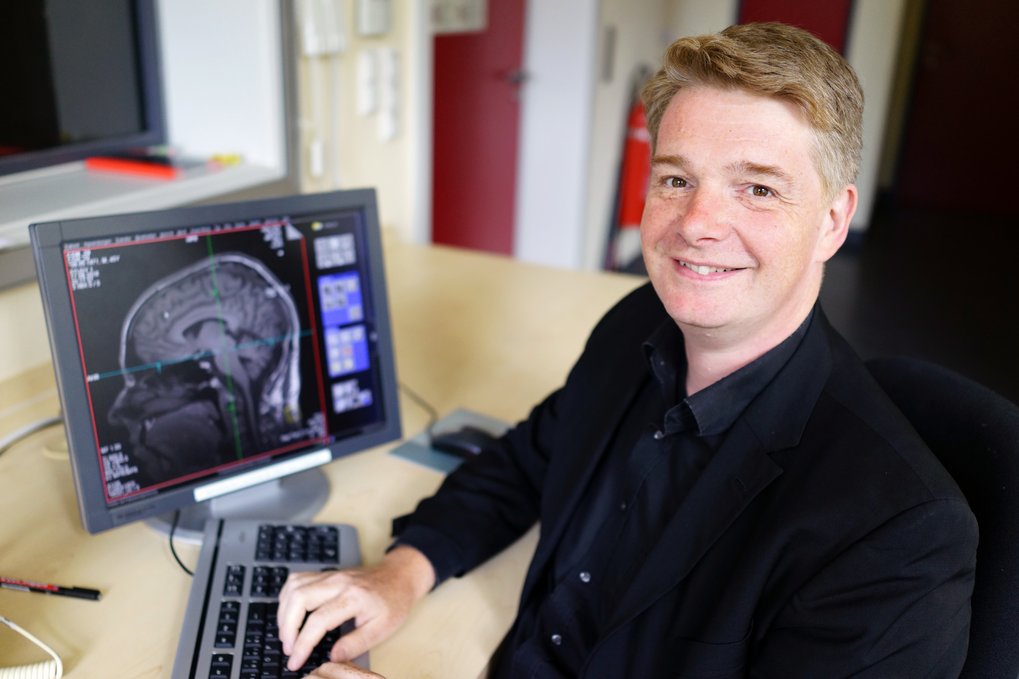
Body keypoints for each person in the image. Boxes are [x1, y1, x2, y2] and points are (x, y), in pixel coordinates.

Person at [276, 22, 977, 678]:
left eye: (757, 188)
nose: (697, 224)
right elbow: (530, 458)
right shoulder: (638, 324)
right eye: (676, 178)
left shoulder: (897, 534)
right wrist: (402, 571)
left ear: (831, 221)